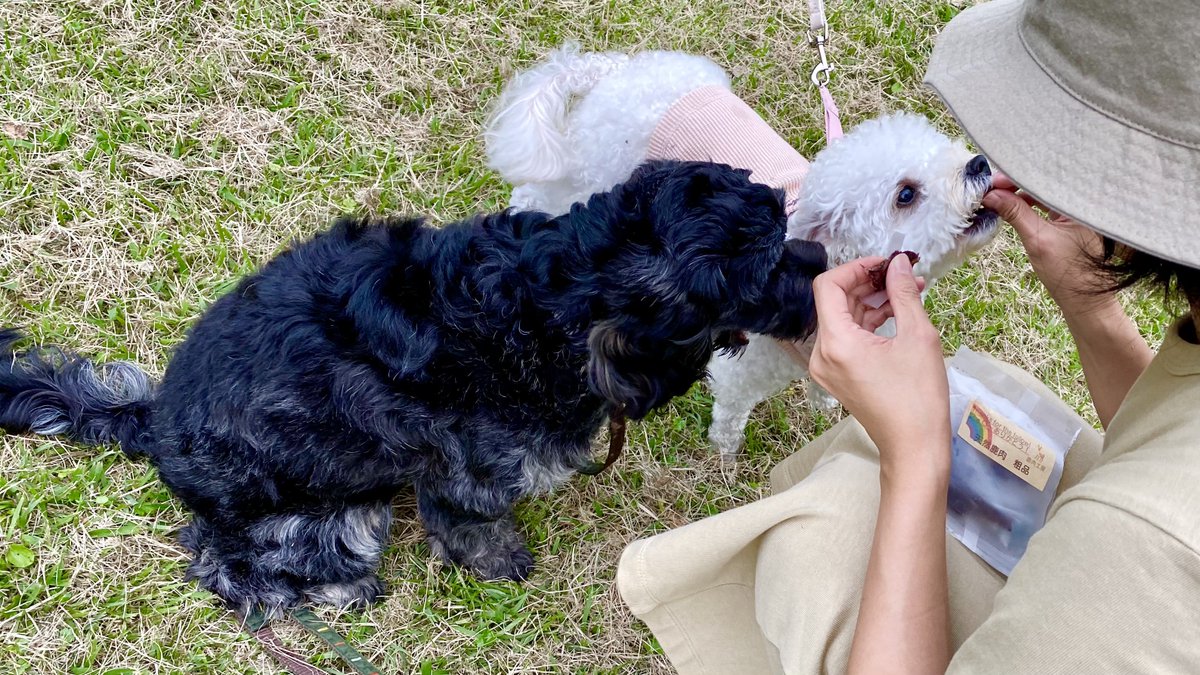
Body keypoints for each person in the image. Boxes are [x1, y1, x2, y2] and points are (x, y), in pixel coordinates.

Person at [615, 0, 1200, 672]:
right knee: (982, 400)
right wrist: (1091, 306)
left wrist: (916, 456)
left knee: (821, 535)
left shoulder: (1147, 548)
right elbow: (1163, 430)